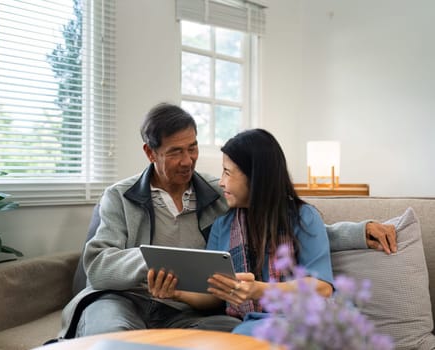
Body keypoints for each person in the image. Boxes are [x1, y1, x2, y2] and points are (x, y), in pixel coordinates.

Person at [58, 104, 396, 339]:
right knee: (112, 336)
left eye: (192, 148)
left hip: (186, 312)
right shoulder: (120, 196)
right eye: (175, 151)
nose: (188, 160)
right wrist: (155, 266)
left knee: (230, 335)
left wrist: (356, 230)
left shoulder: (220, 195)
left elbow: (284, 221)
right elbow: (98, 264)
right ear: (150, 153)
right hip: (126, 300)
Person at [146, 128, 394, 336]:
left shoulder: (303, 218)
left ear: (255, 177)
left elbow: (322, 288)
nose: (221, 182)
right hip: (254, 323)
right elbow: (215, 294)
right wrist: (177, 292)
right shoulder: (222, 226)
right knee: (242, 335)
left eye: (227, 172)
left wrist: (260, 290)